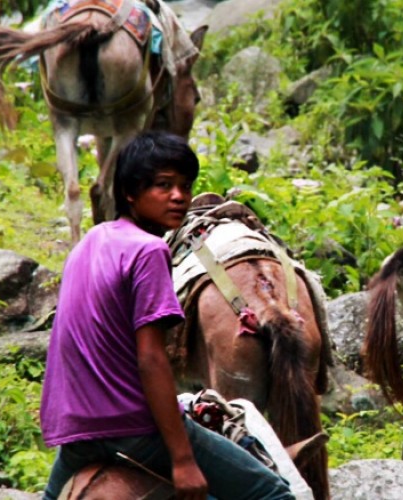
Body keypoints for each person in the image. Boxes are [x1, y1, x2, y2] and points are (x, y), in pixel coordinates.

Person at [40, 131, 293, 500]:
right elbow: (151, 358)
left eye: (185, 186)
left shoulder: (92, 240)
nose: (179, 197)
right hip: (131, 427)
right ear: (130, 192)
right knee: (273, 494)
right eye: (163, 186)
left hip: (75, 428)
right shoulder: (148, 250)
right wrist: (183, 460)